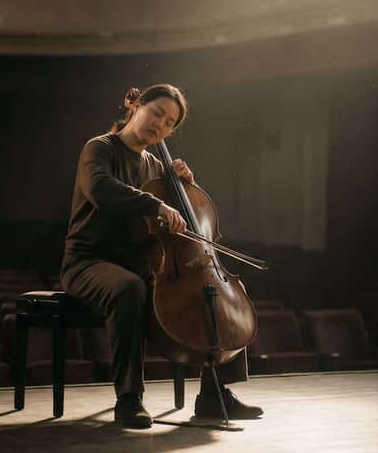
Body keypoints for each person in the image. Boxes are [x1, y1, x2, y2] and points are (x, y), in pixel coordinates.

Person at [60, 84, 263, 428]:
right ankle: (129, 398)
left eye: (170, 123)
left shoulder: (157, 166)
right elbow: (101, 190)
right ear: (137, 106)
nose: (160, 125)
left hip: (141, 264)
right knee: (129, 289)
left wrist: (184, 187)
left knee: (210, 291)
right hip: (88, 261)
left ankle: (213, 394)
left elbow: (176, 226)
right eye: (157, 113)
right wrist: (156, 203)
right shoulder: (100, 148)